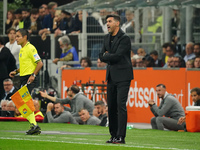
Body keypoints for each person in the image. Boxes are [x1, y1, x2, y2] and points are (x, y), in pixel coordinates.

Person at [99, 14, 133, 144]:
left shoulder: (125, 38)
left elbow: (118, 56)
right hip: (111, 76)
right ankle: (113, 135)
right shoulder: (106, 38)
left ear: (117, 23)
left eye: (109, 21)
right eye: (106, 21)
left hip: (123, 76)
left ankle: (121, 136)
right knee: (111, 107)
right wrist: (106, 56)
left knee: (120, 106)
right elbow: (101, 55)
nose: (107, 24)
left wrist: (107, 56)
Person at [9, 29, 43, 135]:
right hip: (23, 78)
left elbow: (40, 63)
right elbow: (25, 65)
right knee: (21, 101)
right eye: (16, 36)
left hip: (29, 77)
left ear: (25, 37)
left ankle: (34, 125)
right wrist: (16, 71)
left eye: (18, 36)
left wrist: (33, 75)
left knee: (24, 101)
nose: (16, 38)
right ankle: (34, 125)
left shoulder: (31, 48)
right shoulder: (22, 49)